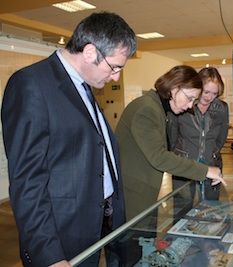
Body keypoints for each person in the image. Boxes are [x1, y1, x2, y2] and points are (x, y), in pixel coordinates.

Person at [1, 12, 136, 267]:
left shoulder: (84, 84)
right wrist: (49, 255)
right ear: (89, 52)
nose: (116, 77)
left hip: (101, 222)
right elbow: (28, 181)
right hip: (64, 237)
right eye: (115, 67)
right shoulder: (31, 84)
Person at [115, 65, 226, 221]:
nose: (189, 106)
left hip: (142, 188)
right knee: (134, 241)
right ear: (174, 88)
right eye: (189, 98)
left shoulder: (157, 108)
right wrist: (205, 170)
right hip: (133, 192)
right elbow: (160, 157)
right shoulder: (147, 109)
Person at [169, 67, 229, 208]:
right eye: (206, 92)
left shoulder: (221, 108)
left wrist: (212, 152)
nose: (209, 97)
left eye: (214, 93)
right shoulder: (183, 105)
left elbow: (221, 137)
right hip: (183, 165)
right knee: (182, 208)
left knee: (211, 208)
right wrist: (177, 156)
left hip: (211, 163)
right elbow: (172, 136)